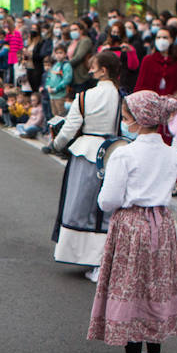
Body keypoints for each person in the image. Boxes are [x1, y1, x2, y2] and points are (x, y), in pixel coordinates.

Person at [89, 91, 177, 353]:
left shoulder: (125, 154)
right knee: (156, 288)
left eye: (127, 114)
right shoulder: (173, 153)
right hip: (163, 225)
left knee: (131, 290)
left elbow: (108, 200)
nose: (124, 119)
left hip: (132, 225)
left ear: (138, 118)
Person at [46, 50, 125, 280]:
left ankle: (87, 257)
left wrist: (56, 143)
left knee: (81, 204)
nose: (90, 70)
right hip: (113, 152)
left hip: (85, 152)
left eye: (94, 66)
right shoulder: (122, 97)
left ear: (103, 70)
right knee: (106, 207)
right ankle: (104, 260)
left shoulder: (85, 97)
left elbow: (69, 129)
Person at [133, 27, 177, 97]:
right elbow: (140, 85)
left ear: (171, 40)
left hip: (172, 102)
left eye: (165, 38)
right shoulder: (147, 60)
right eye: (158, 37)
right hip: (151, 102)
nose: (161, 40)